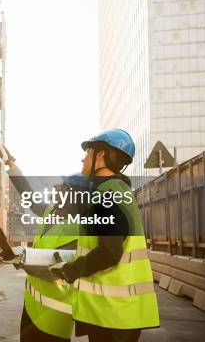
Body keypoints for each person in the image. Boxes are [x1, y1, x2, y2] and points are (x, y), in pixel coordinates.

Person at [52, 129, 160, 342]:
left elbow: (110, 252)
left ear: (100, 156)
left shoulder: (107, 195)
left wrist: (71, 270)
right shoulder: (115, 191)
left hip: (112, 315)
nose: (83, 158)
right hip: (116, 313)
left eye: (88, 152)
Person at [0, 143, 80, 342]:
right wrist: (10, 162)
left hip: (54, 316)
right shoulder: (49, 213)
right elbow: (28, 194)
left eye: (62, 187)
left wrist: (19, 259)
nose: (56, 188)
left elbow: (56, 269)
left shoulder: (77, 229)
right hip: (32, 307)